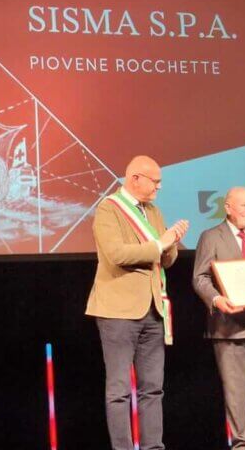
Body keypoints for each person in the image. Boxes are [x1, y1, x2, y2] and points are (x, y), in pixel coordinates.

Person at [86, 155, 189, 450]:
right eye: (154, 181)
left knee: (152, 389)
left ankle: (153, 447)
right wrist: (160, 244)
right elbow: (117, 254)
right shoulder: (108, 209)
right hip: (118, 311)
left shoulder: (153, 212)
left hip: (153, 309)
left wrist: (172, 243)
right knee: (119, 391)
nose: (159, 187)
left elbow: (165, 258)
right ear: (134, 179)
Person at [192, 186, 245, 450]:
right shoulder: (211, 236)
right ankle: (241, 444)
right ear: (228, 208)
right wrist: (217, 299)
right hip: (227, 326)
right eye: (244, 205)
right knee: (235, 390)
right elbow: (200, 277)